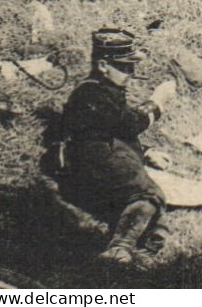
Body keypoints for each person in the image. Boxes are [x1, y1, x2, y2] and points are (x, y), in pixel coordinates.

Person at [54, 29, 176, 266]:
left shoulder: (103, 90)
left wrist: (147, 151)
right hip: (91, 160)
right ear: (102, 65)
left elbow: (117, 129)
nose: (130, 74)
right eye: (124, 67)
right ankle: (119, 249)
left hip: (102, 152)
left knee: (153, 202)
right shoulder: (92, 92)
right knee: (148, 195)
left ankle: (146, 245)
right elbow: (130, 124)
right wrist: (157, 102)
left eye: (132, 67)